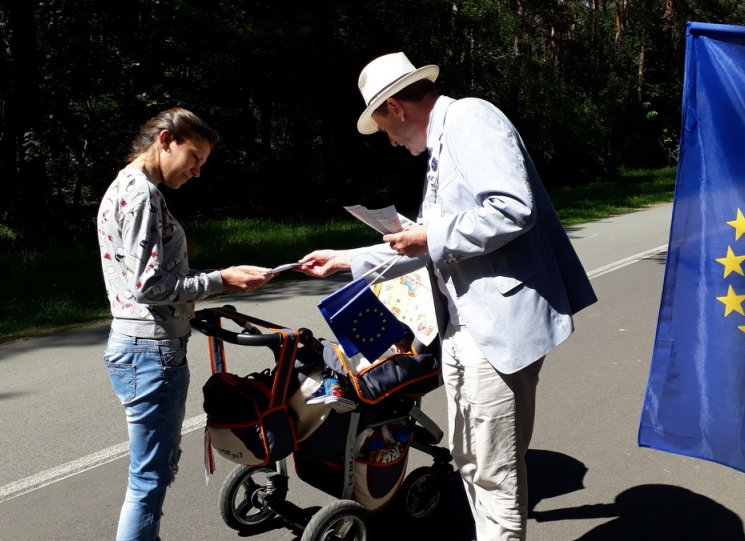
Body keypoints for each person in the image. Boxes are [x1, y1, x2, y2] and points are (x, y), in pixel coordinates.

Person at [295, 52, 597, 541]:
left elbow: (512, 209)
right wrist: (347, 257)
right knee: (469, 461)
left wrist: (429, 238)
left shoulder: (470, 117)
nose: (389, 141)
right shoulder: (440, 147)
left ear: (396, 107)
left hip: (495, 327)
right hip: (459, 328)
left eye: (383, 128)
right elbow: (427, 241)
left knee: (495, 468)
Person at [96, 107, 274, 541]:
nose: (197, 171)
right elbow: (149, 285)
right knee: (149, 480)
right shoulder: (142, 194)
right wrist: (222, 279)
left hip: (136, 344)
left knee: (148, 474)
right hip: (150, 351)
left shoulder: (124, 187)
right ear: (165, 140)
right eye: (194, 157)